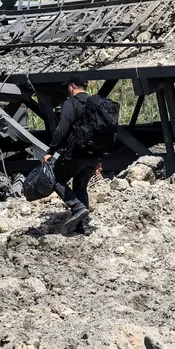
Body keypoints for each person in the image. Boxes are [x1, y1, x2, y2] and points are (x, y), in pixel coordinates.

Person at [43, 75, 99, 233]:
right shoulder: (96, 103)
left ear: (73, 86)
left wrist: (51, 151)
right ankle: (84, 226)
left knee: (55, 179)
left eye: (68, 86)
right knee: (80, 185)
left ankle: (77, 207)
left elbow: (62, 129)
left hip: (76, 153)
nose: (67, 89)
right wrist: (100, 157)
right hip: (95, 154)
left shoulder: (71, 103)